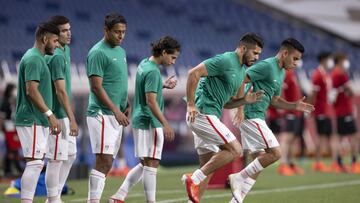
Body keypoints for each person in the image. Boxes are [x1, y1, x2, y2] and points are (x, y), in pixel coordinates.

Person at [229, 38, 314, 203]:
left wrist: (293, 105)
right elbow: (241, 78)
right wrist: (240, 107)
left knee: (260, 160)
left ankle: (236, 201)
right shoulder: (268, 66)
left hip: (258, 114)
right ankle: (238, 177)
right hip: (250, 113)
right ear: (285, 53)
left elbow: (274, 100)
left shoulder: (282, 72)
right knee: (275, 153)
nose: (297, 63)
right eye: (295, 58)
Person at [184, 33, 265, 203]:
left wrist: (245, 100)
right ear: (243, 48)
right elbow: (193, 73)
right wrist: (190, 104)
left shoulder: (241, 70)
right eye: (255, 53)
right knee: (235, 150)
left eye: (259, 54)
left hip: (209, 115)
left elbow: (227, 104)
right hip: (202, 113)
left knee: (208, 165)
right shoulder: (226, 60)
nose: (257, 58)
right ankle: (194, 178)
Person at [110, 36, 181, 203]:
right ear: (164, 52)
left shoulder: (144, 64)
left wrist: (162, 85)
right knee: (151, 164)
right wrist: (165, 123)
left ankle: (119, 196)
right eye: (173, 57)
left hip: (140, 120)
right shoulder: (153, 71)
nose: (173, 62)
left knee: (144, 163)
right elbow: (151, 101)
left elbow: (146, 90)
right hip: (151, 122)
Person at [86, 12, 130, 203]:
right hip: (101, 114)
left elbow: (117, 82)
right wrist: (115, 109)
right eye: (117, 32)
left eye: (123, 32)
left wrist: (125, 102)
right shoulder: (97, 52)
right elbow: (96, 87)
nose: (121, 36)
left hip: (116, 113)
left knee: (108, 162)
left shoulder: (121, 51)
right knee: (103, 161)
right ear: (106, 30)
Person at [15, 22, 60, 203]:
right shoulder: (34, 58)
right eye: (55, 41)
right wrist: (50, 114)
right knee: (35, 164)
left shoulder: (37, 58)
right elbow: (31, 91)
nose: (57, 45)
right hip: (31, 117)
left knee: (36, 163)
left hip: (36, 118)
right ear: (44, 38)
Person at [44, 15, 79, 203]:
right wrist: (72, 118)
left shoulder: (65, 50)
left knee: (71, 154)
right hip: (56, 114)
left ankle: (54, 196)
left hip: (64, 113)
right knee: (56, 159)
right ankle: (53, 198)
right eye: (64, 30)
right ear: (55, 34)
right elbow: (60, 91)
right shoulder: (56, 55)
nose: (69, 33)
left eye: (69, 28)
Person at [309, 52, 338, 172]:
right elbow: (313, 93)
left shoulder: (326, 74)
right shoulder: (317, 74)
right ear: (324, 60)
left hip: (327, 110)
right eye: (329, 59)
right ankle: (318, 162)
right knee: (321, 137)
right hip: (320, 111)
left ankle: (335, 162)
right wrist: (310, 108)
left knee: (331, 136)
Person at [331, 53, 360, 173]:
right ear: (340, 61)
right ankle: (353, 162)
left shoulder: (334, 74)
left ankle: (338, 162)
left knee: (339, 137)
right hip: (344, 111)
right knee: (354, 136)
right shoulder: (340, 74)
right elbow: (351, 91)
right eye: (345, 60)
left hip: (340, 111)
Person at [277, 69, 305, 176]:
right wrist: (282, 106)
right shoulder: (286, 73)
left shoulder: (293, 73)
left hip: (296, 111)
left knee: (293, 139)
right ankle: (283, 164)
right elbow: (280, 89)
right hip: (289, 111)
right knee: (286, 138)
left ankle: (290, 164)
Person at [0, 83, 23, 177]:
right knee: (10, 148)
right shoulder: (4, 102)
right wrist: (2, 129)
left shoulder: (12, 101)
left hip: (13, 127)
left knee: (14, 148)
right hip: (8, 127)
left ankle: (15, 167)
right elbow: (2, 117)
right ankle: (8, 169)